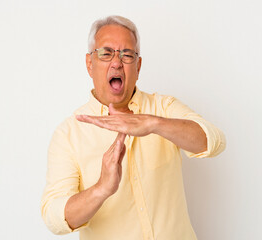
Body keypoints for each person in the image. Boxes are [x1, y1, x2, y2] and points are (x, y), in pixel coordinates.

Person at [41, 15, 226, 240]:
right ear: (90, 64)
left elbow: (213, 141)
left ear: (138, 67)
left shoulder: (163, 107)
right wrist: (101, 189)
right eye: (106, 53)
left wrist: (153, 123)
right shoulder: (69, 134)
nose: (117, 62)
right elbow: (54, 217)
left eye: (127, 55)